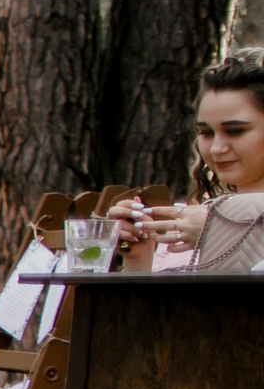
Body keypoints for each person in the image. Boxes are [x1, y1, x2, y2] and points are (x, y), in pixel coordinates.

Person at [110, 49, 264, 272]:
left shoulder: (204, 222)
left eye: (235, 131)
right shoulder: (185, 227)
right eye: (206, 133)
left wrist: (223, 228)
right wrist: (138, 259)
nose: (217, 148)